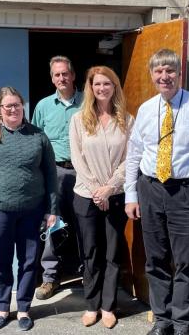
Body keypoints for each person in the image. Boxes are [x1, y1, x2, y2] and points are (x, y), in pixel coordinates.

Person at [124, 49, 189, 335]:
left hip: (187, 192)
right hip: (151, 189)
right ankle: (162, 319)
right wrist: (131, 195)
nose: (164, 76)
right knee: (155, 259)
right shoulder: (145, 109)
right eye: (158, 71)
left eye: (170, 71)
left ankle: (182, 322)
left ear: (179, 74)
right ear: (152, 75)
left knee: (185, 260)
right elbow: (134, 155)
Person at [0, 86, 57, 331]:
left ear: (23, 106)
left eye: (17, 104)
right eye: (8, 106)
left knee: (28, 261)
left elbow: (50, 174)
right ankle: (2, 307)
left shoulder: (38, 136)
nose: (14, 109)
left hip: (32, 209)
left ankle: (24, 308)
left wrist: (51, 209)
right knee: (1, 260)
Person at [69, 66, 134, 329]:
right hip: (86, 196)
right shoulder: (78, 119)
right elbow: (77, 158)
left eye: (107, 84)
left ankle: (109, 306)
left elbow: (131, 159)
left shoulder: (127, 120)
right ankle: (91, 305)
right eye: (97, 84)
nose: (102, 88)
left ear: (114, 87)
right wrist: (97, 190)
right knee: (91, 252)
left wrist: (110, 188)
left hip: (115, 196)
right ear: (90, 88)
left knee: (113, 252)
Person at [31, 55, 84, 300]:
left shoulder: (88, 101)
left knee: (87, 223)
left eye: (65, 73)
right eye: (56, 75)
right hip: (55, 173)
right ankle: (50, 278)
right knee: (54, 223)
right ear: (52, 78)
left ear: (73, 75)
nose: (61, 78)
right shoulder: (43, 106)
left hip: (86, 172)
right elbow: (35, 142)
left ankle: (90, 273)